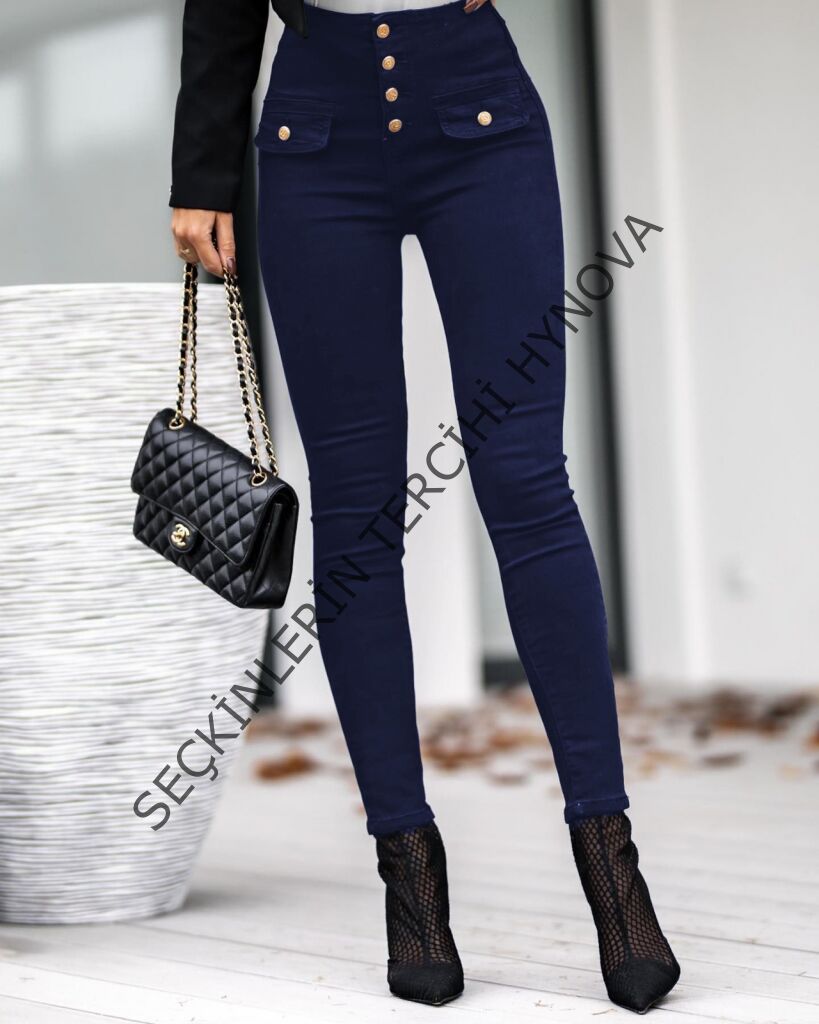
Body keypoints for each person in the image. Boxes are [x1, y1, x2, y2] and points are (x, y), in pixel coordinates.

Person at [169, 0, 681, 1012]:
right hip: (314, 129)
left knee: (526, 481)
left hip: (478, 108)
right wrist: (201, 168)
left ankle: (611, 861)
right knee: (356, 513)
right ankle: (408, 875)